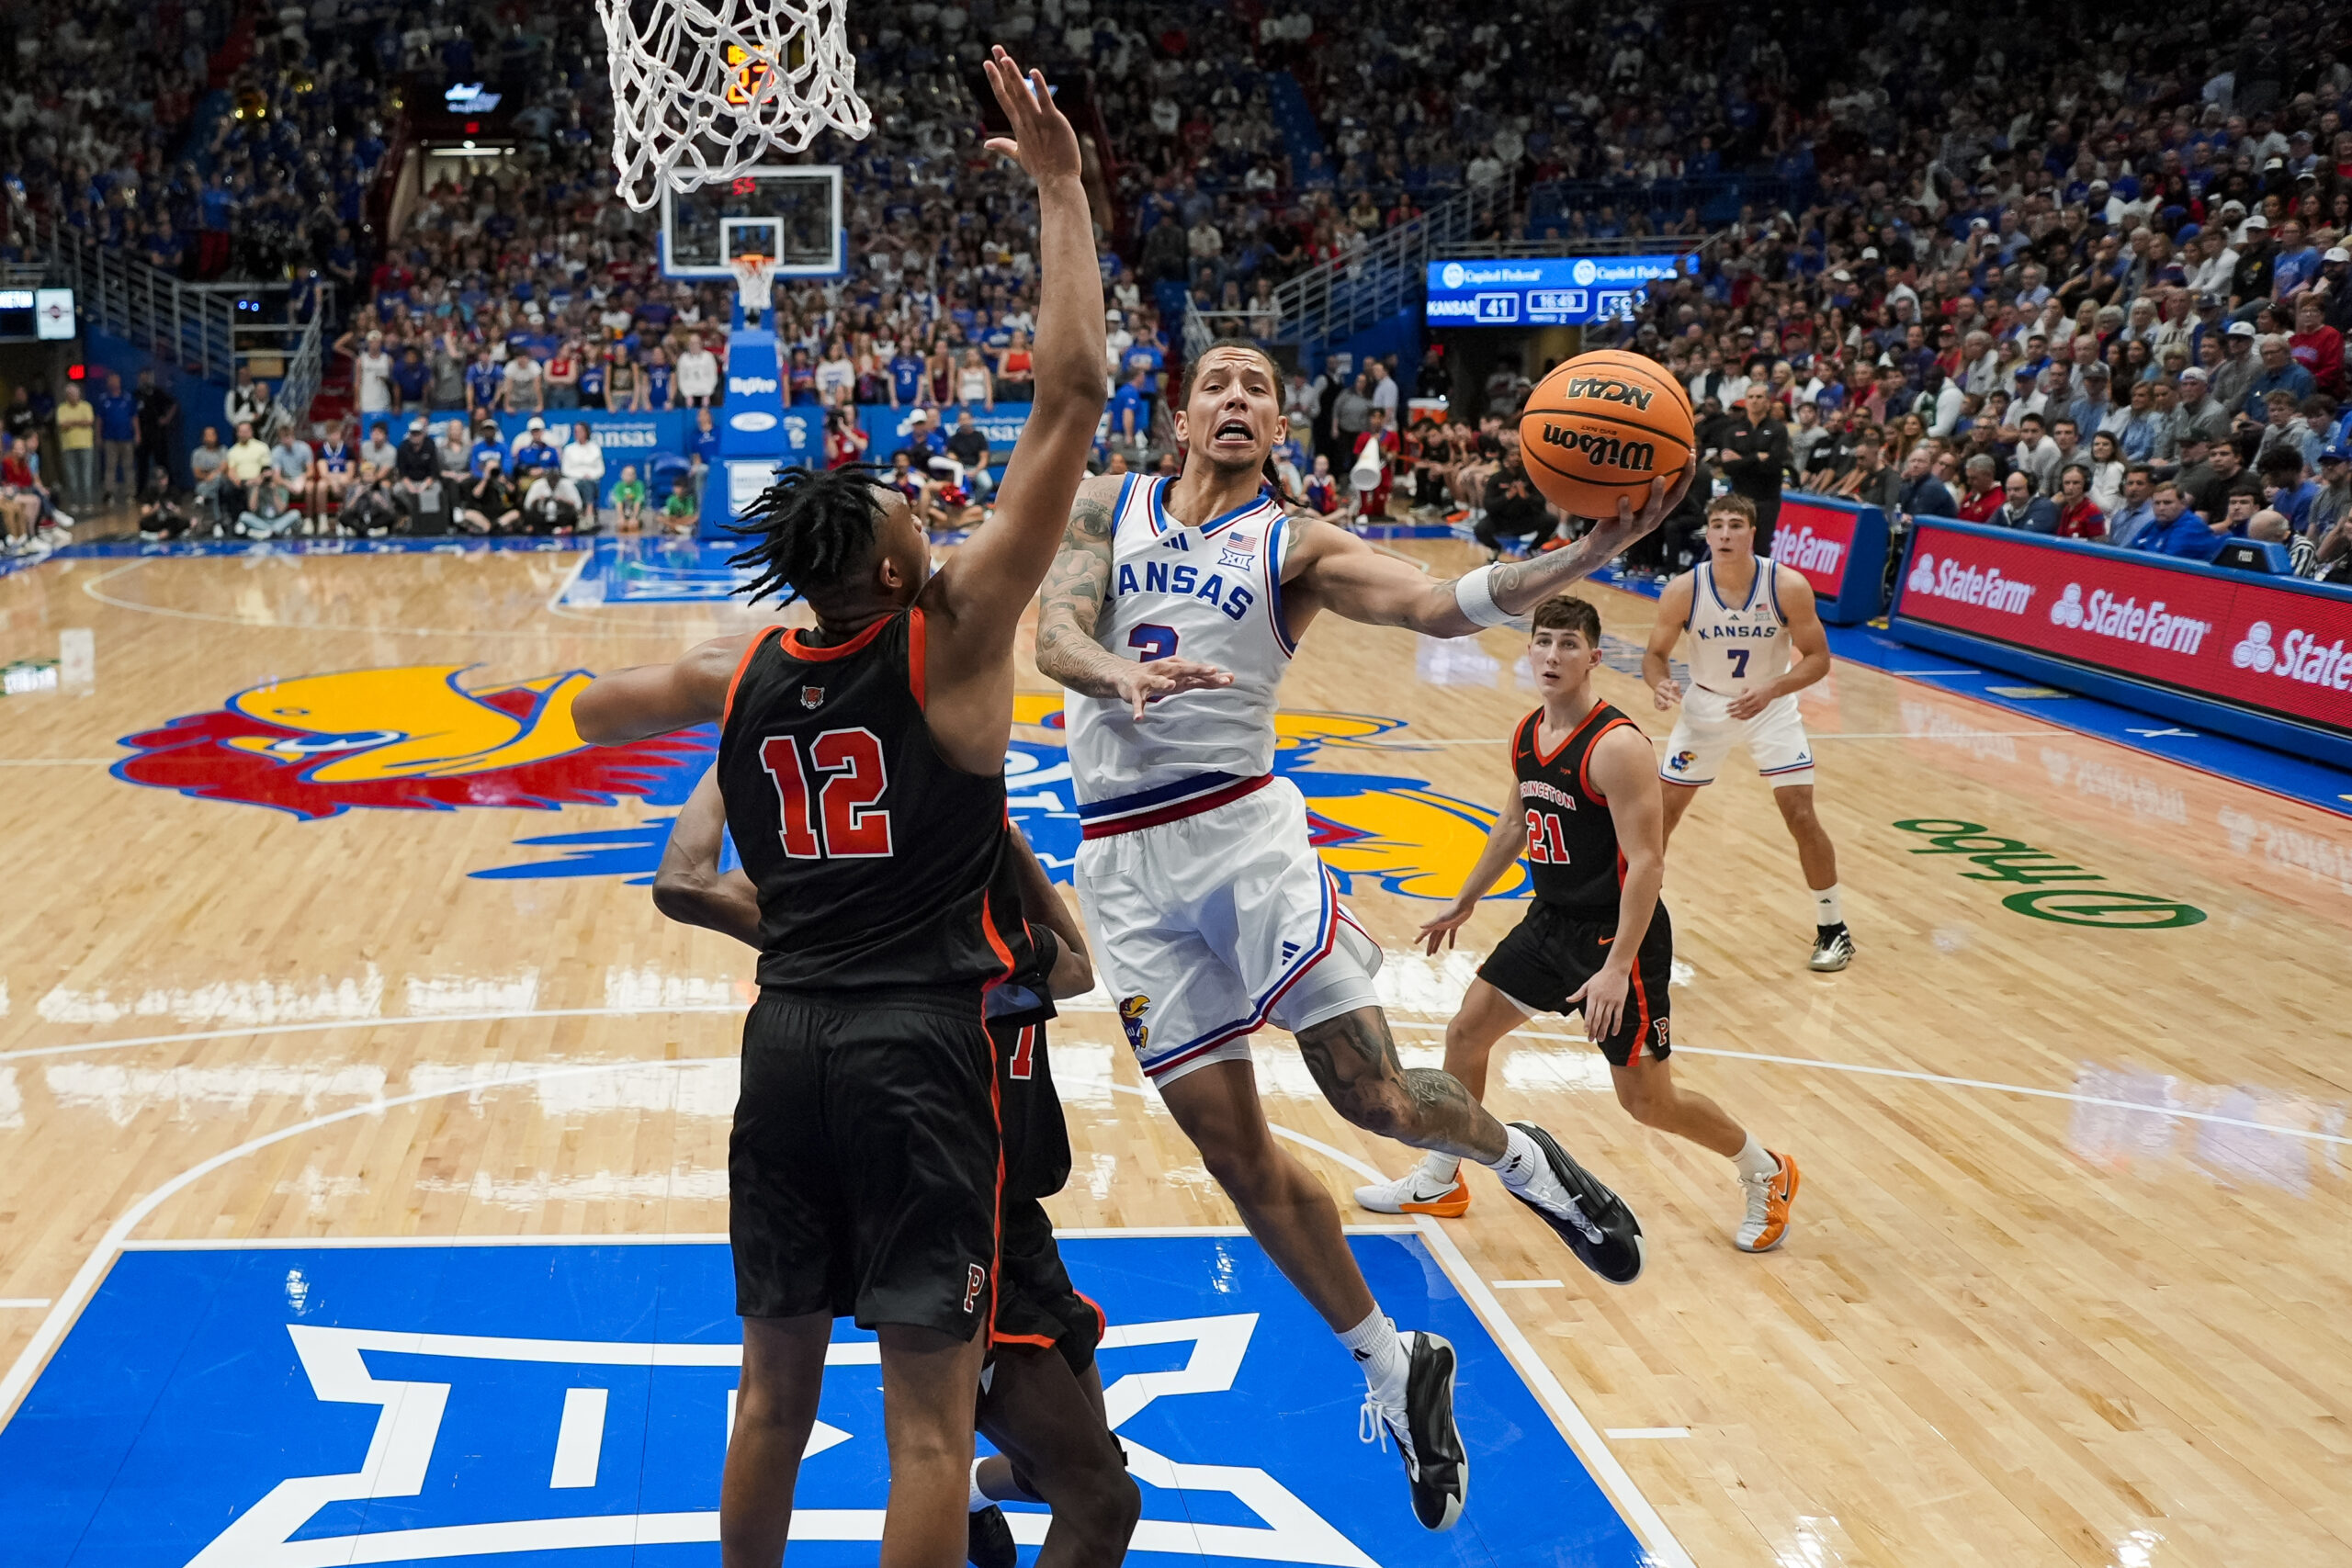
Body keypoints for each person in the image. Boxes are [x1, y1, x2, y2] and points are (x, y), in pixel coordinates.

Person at [568, 56, 1103, 1568]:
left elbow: (601, 711)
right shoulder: (947, 638)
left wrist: (639, 705)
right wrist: (1059, 191)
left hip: (783, 1041)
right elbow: (1070, 396)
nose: (932, 512)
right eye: (906, 512)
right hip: (915, 1049)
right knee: (929, 1426)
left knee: (768, 1399)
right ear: (882, 570)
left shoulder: (742, 667)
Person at [1034, 335, 1667, 1532]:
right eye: (1215, 383)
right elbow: (1053, 634)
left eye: (1258, 389)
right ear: (1179, 414)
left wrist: (1579, 556)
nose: (1235, 399)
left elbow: (1435, 599)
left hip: (1241, 836)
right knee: (1231, 1151)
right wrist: (1107, 669)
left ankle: (1527, 1162)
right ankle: (1391, 1357)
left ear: (1278, 425)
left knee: (1370, 1094)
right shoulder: (1108, 507)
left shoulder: (1298, 541)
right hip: (1121, 864)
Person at [653, 776, 1142, 1567]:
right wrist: (1003, 833)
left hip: (1014, 1222)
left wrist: (726, 758)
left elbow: (1080, 970)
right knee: (1098, 1499)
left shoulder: (894, 926)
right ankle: (961, 1492)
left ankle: (977, 1493)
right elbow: (1079, 966)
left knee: (1092, 1475)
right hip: (956, 1218)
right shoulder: (918, 936)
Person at [1356, 593, 1801, 1248]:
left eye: (1569, 644)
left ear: (1595, 657)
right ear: (1528, 649)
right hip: (1552, 920)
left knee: (1648, 1102)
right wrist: (1467, 898)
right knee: (1466, 1033)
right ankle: (1441, 1175)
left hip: (1620, 934)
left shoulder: (1617, 745)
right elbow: (1513, 822)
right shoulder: (1528, 731)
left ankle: (1766, 1170)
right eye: (1544, 641)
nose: (1553, 655)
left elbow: (1648, 863)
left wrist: (1618, 967)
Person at [1642, 493, 1853, 971]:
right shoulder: (1683, 590)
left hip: (1769, 708)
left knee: (1799, 813)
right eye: (1716, 525)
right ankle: (1631, 924)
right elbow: (1654, 656)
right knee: (1658, 819)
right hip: (1705, 708)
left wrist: (1773, 688)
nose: (1724, 534)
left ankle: (1833, 927)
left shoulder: (1788, 585)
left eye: (1735, 525)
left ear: (1752, 533)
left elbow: (1819, 659)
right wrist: (1659, 685)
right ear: (1707, 534)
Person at [1716, 384, 1790, 549]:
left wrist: (1740, 459)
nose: (1754, 401)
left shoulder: (1778, 430)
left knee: (1761, 548)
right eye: (1750, 397)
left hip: (1766, 499)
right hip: (1739, 499)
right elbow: (1727, 468)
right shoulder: (1733, 431)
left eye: (1759, 397)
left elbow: (1772, 466)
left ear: (1768, 402)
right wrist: (1756, 457)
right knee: (1735, 547)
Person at [133, 368, 179, 497]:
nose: (144, 379)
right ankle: (141, 491)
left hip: (157, 433)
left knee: (163, 462)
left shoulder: (157, 392)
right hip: (143, 434)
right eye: (141, 377)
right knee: (142, 465)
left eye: (146, 377)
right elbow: (133, 415)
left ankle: (169, 489)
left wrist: (167, 418)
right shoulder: (137, 394)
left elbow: (174, 403)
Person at [53, 381, 96, 512]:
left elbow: (89, 421)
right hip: (68, 447)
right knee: (72, 477)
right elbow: (62, 425)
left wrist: (71, 422)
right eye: (70, 394)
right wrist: (79, 422)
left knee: (86, 475)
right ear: (67, 395)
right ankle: (74, 503)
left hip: (86, 445)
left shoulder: (86, 406)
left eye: (75, 394)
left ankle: (88, 502)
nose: (73, 396)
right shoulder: (61, 408)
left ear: (79, 394)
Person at [458, 453, 520, 535]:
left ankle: (497, 526)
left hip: (501, 514)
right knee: (468, 514)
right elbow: (476, 495)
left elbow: (511, 497)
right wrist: (485, 479)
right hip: (482, 513)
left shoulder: (505, 480)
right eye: (490, 469)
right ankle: (487, 528)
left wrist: (504, 483)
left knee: (515, 513)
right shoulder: (477, 481)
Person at [946, 409, 994, 502]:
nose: (964, 422)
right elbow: (950, 455)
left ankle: (972, 503)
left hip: (977, 468)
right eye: (961, 419)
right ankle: (958, 503)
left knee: (987, 484)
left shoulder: (979, 436)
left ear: (971, 419)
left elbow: (984, 458)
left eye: (966, 419)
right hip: (960, 468)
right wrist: (960, 468)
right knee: (955, 485)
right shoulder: (954, 439)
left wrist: (975, 471)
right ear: (958, 421)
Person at [2052, 464, 2108, 538]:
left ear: (2085, 485)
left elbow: (2098, 544)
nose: (2070, 487)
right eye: (2067, 483)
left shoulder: (2093, 511)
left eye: (2076, 483)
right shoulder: (2066, 509)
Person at [612, 464, 648, 533]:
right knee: (621, 525)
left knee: (633, 525)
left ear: (635, 476)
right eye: (627, 474)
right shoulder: (618, 486)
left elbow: (638, 503)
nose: (629, 476)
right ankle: (621, 543)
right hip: (622, 513)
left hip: (636, 515)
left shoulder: (639, 485)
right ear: (622, 475)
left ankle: (635, 542)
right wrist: (621, 517)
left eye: (631, 474)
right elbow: (619, 503)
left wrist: (634, 518)